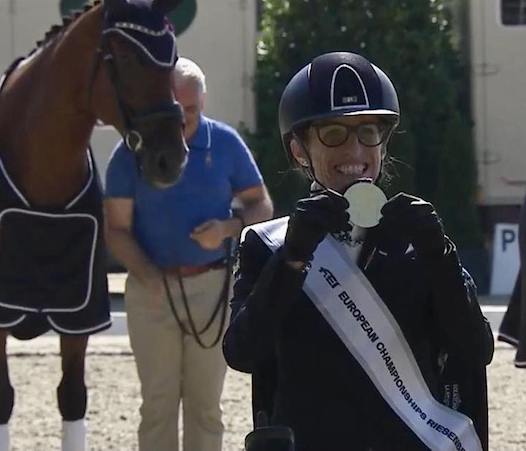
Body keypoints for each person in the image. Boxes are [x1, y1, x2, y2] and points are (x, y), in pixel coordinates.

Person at [222, 51, 494, 451]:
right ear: (299, 150)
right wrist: (292, 259)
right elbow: (242, 353)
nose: (354, 151)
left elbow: (475, 350)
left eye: (368, 131)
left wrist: (440, 258)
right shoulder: (268, 245)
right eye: (334, 133)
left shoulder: (418, 241)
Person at [104, 56, 274, 451]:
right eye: (176, 109)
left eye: (192, 109)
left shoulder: (225, 143)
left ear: (204, 101)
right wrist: (147, 274)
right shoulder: (131, 151)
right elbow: (116, 228)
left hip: (212, 288)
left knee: (206, 407)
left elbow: (261, 205)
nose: (183, 119)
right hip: (151, 292)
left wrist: (228, 228)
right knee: (157, 405)